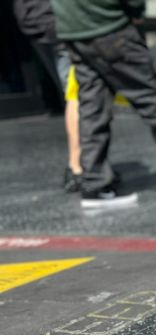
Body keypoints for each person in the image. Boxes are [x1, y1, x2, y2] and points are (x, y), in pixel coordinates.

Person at [51, 0, 156, 208]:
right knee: (153, 100)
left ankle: (95, 184)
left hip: (74, 31)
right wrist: (135, 8)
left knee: (92, 108)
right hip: (109, 26)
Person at [13, 0, 82, 192]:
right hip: (60, 22)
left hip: (35, 22)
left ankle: (82, 165)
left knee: (71, 92)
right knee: (77, 93)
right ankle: (78, 168)